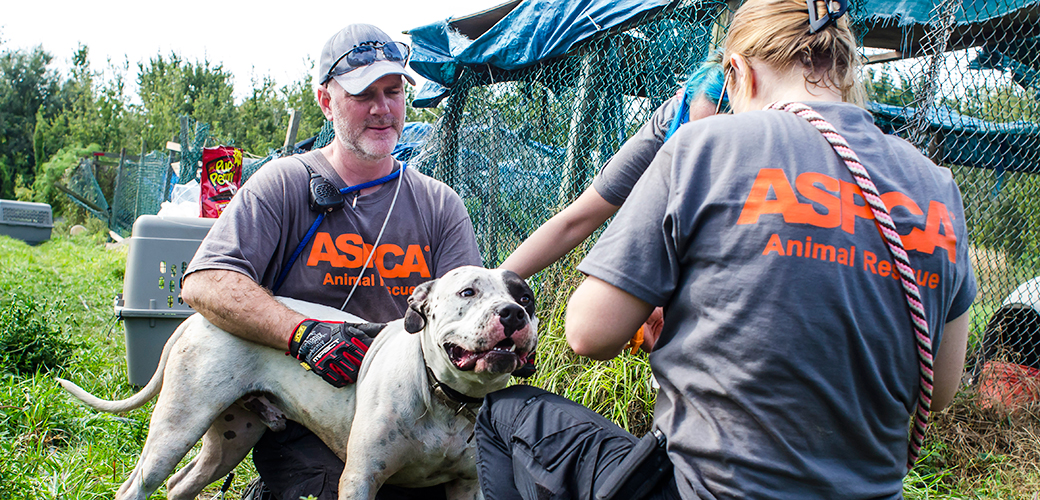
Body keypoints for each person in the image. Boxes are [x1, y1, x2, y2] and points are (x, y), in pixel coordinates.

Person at [475, 0, 977, 498]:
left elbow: (587, 333)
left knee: (502, 413)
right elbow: (943, 387)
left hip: (709, 490)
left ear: (737, 73)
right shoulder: (938, 186)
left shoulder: (706, 146)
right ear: (843, 67)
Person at [181, 24, 481, 500]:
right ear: (325, 100)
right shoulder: (284, 183)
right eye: (364, 94)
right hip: (311, 415)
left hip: (418, 414)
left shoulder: (438, 205)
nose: (382, 109)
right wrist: (301, 335)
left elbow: (469, 322)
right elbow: (206, 282)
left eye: (393, 91)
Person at [498, 56, 727, 283]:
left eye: (714, 138)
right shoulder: (671, 121)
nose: (702, 146)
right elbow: (576, 220)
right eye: (693, 132)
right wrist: (496, 282)